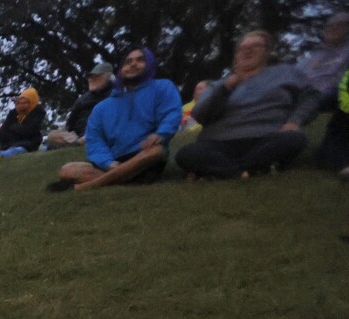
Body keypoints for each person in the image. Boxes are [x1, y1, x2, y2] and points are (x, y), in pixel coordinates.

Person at [176, 29, 320, 179]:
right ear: (236, 55)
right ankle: (247, 170)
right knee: (187, 154)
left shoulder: (286, 73)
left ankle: (225, 170)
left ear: (267, 52)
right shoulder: (219, 85)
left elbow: (311, 97)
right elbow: (199, 114)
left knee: (294, 139)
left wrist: (294, 121)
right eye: (242, 48)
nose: (248, 50)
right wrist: (226, 87)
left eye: (255, 46)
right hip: (219, 141)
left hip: (267, 136)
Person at [50, 47, 182, 192]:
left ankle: (90, 185)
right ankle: (125, 179)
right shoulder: (102, 108)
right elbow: (95, 141)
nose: (133, 64)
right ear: (121, 69)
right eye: (128, 61)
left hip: (144, 156)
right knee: (67, 170)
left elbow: (172, 113)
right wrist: (109, 163)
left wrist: (161, 134)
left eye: (140, 60)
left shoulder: (162, 87)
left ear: (149, 64)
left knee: (157, 151)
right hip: (113, 162)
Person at [302, 11, 349, 172]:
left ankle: (335, 158)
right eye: (330, 24)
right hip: (304, 95)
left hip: (333, 93)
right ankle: (330, 155)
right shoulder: (313, 55)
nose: (334, 27)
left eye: (341, 24)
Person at [47, 62, 116, 148]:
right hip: (78, 135)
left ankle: (81, 142)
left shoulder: (115, 95)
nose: (91, 79)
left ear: (109, 78)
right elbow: (70, 122)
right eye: (90, 76)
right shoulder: (83, 99)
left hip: (101, 131)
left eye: (97, 76)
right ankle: (77, 143)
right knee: (52, 135)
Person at [0, 87, 47, 154]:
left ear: (32, 102)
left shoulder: (38, 112)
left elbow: (30, 130)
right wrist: (18, 129)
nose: (21, 105)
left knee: (13, 151)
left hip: (29, 143)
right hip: (9, 143)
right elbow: (3, 132)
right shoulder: (13, 113)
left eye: (25, 103)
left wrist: (15, 128)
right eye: (19, 103)